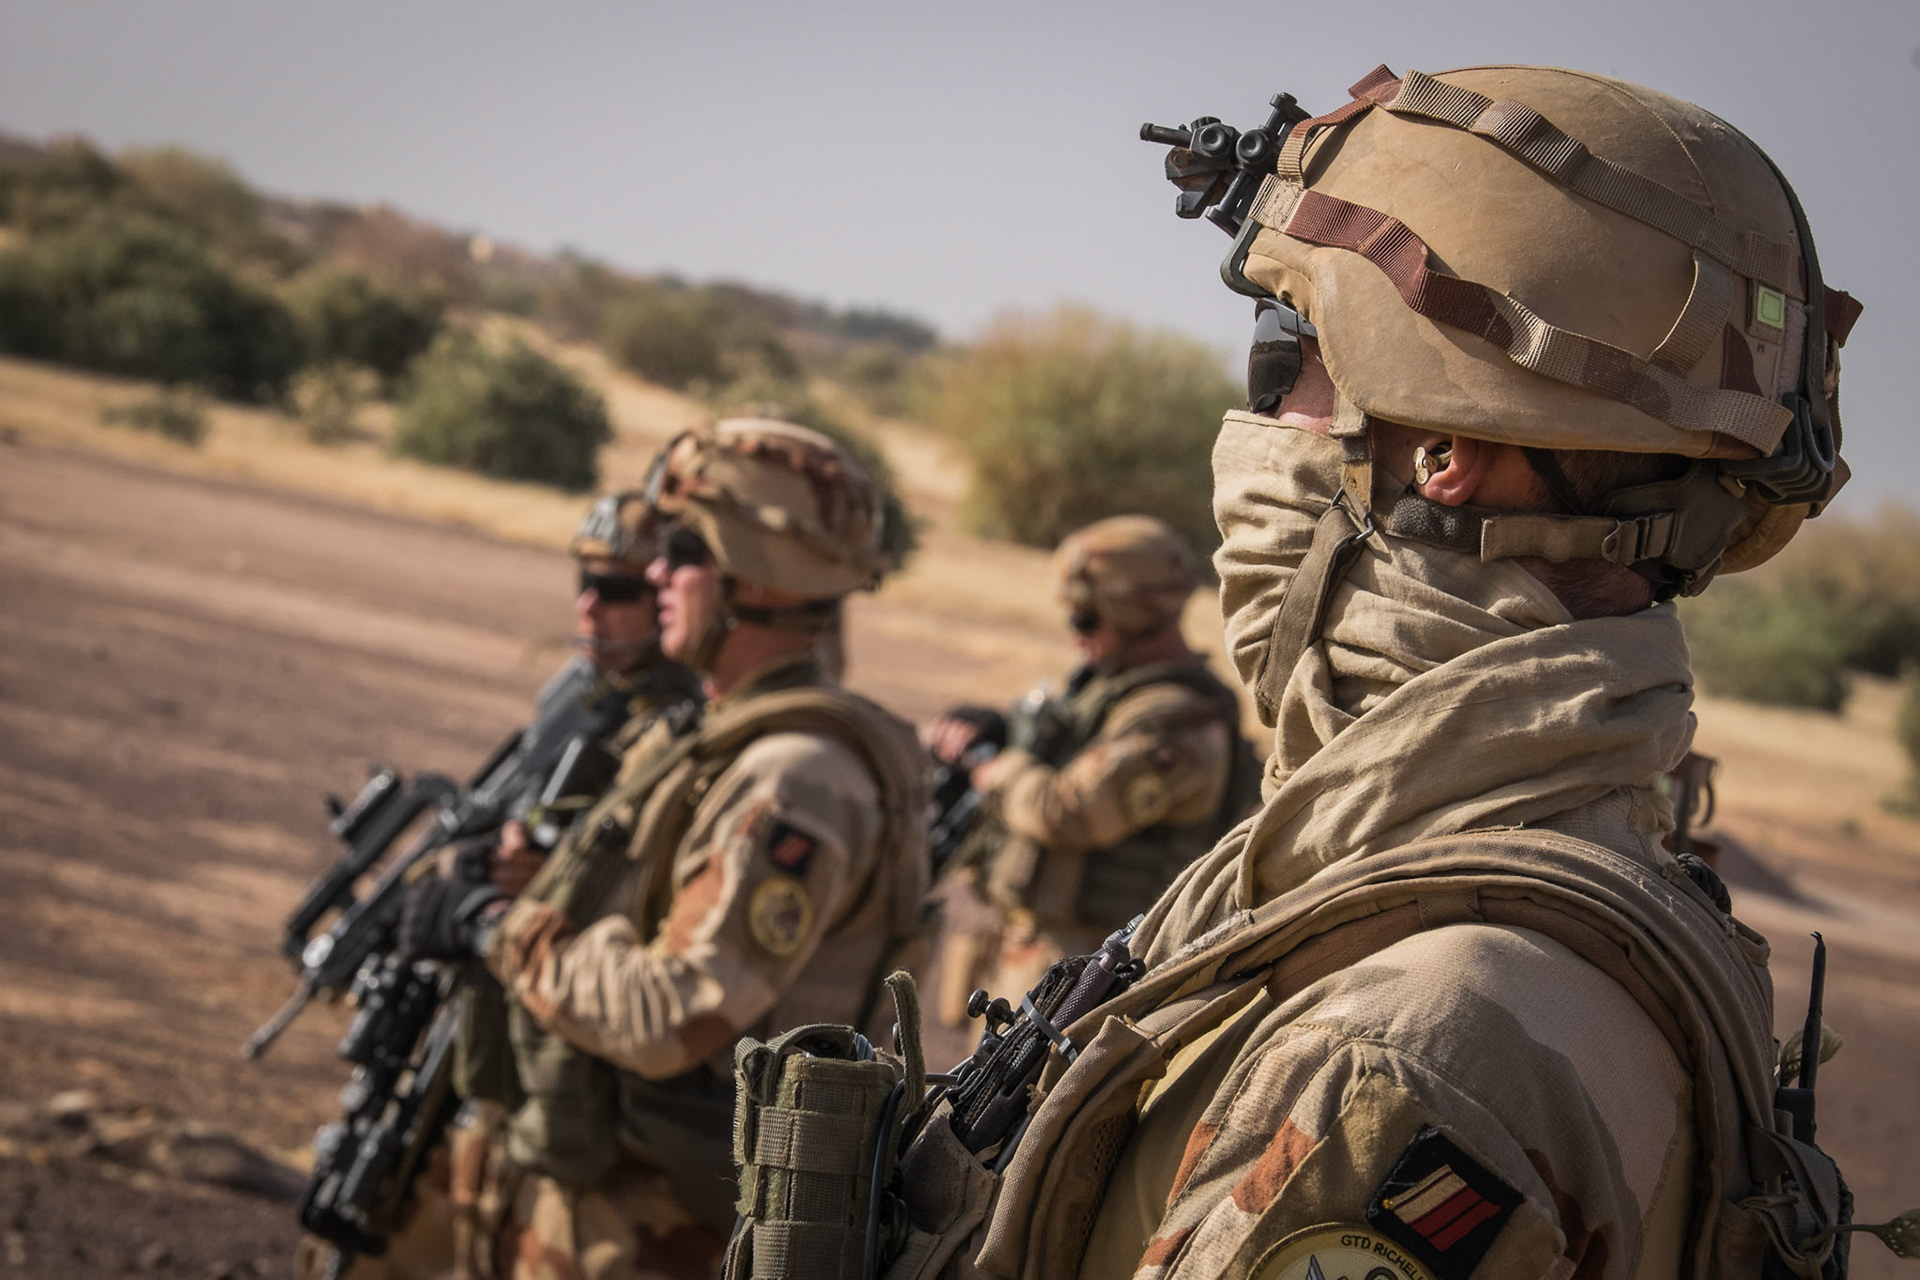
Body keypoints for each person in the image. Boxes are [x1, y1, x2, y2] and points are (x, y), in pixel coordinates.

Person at [864, 64, 1873, 1280]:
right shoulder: (1556, 880)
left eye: (1284, 363)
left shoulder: (1403, 1060)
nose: (1255, 428)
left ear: (1443, 446)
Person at [408, 418, 929, 1280]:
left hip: (660, 1231)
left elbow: (671, 1014)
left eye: (682, 550)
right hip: (609, 1203)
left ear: (749, 578)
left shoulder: (794, 778)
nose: (653, 575)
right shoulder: (727, 739)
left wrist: (494, 928)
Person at [925, 516, 1257, 1015]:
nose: (1076, 635)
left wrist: (997, 771)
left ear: (1133, 614)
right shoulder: (1114, 690)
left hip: (1091, 978)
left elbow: (1070, 810)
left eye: (1086, 619)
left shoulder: (1175, 719)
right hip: (1046, 961)